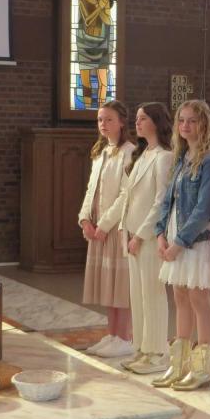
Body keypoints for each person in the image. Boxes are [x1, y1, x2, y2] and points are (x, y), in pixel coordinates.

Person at [153, 99, 210, 392]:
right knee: (180, 297)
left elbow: (204, 209)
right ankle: (178, 364)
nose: (185, 126)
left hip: (194, 241)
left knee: (198, 299)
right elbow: (167, 200)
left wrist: (179, 243)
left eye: (192, 120)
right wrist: (160, 233)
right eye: (182, 120)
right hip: (173, 236)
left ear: (204, 124)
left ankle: (201, 369)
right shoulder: (181, 157)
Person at [94, 103, 170, 366]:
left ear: (157, 122)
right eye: (137, 118)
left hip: (147, 238)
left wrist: (139, 236)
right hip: (131, 235)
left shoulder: (164, 157)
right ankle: (141, 349)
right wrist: (118, 228)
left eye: (143, 118)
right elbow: (127, 196)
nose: (137, 123)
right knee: (138, 297)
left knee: (153, 296)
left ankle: (157, 353)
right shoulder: (143, 154)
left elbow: (160, 203)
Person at [80, 101, 137, 357]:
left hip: (115, 229)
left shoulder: (130, 152)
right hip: (98, 229)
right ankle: (112, 335)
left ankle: (124, 337)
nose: (103, 124)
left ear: (122, 122)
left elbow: (126, 195)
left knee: (120, 287)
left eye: (109, 119)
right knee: (108, 286)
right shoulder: (102, 151)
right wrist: (85, 219)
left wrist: (104, 224)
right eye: (100, 119)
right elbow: (91, 190)